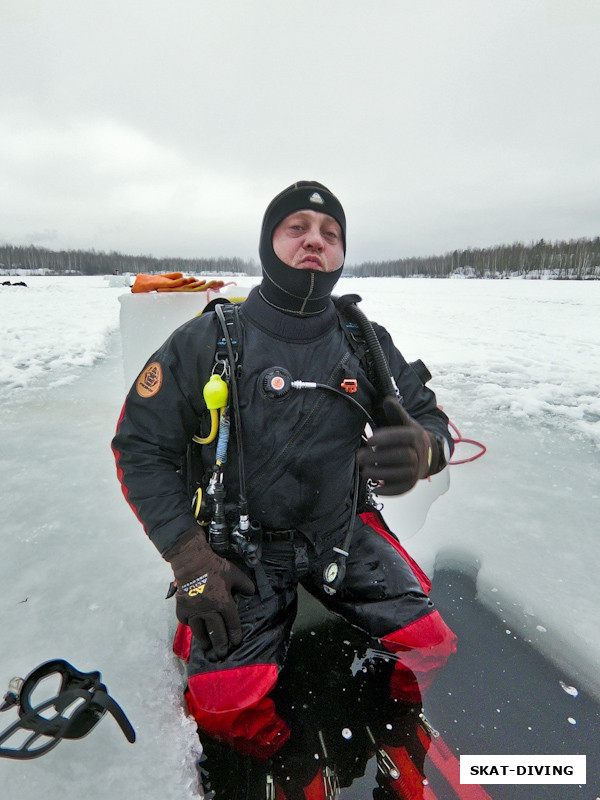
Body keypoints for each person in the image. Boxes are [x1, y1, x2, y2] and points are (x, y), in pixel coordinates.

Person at [111, 181, 457, 767]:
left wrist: (425, 449)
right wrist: (189, 558)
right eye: (297, 228)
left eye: (330, 234)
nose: (314, 242)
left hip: (342, 530)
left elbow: (430, 418)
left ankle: (392, 716)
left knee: (432, 645)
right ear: (269, 244)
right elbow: (138, 446)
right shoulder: (209, 340)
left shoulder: (363, 341)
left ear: (343, 254)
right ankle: (279, 755)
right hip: (240, 549)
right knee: (221, 708)